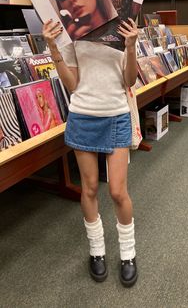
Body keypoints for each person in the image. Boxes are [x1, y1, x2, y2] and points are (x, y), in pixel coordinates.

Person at [42, 16, 140, 287]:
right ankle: (97, 250)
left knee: (118, 191)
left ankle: (128, 253)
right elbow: (72, 85)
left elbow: (129, 80)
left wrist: (131, 46)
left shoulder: (122, 27)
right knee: (89, 188)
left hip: (116, 114)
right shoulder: (74, 32)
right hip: (83, 116)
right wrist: (53, 48)